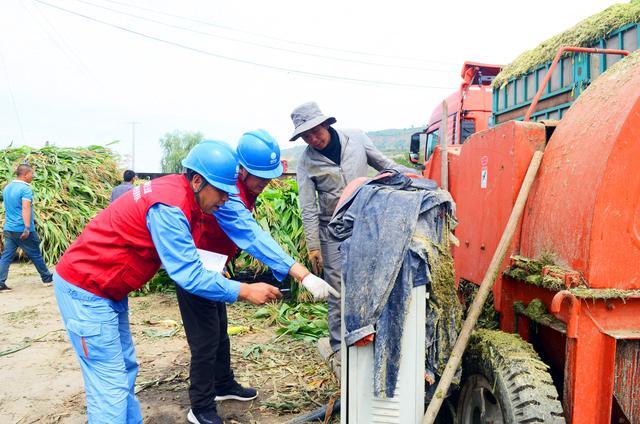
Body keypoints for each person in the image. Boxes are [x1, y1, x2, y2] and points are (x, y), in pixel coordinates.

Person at [53, 140, 282, 423]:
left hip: (109, 289)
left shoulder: (179, 191)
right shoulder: (169, 207)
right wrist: (245, 290)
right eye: (222, 192)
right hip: (86, 290)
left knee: (124, 368)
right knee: (109, 382)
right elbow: (189, 274)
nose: (225, 200)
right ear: (198, 181)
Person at [179, 130, 338, 424]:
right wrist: (302, 274)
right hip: (196, 270)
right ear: (241, 169)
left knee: (219, 332)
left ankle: (223, 384)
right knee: (204, 340)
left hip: (215, 267)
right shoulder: (227, 193)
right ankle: (200, 406)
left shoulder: (246, 190)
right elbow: (253, 237)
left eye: (269, 177)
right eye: (259, 177)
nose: (265, 184)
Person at [290, 101, 415, 355]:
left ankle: (371, 336)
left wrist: (416, 177)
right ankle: (338, 347)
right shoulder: (306, 162)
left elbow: (386, 165)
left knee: (373, 278)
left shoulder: (356, 139)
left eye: (316, 131)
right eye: (306, 136)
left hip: (367, 222)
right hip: (331, 229)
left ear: (326, 124)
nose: (313, 139)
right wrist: (314, 246)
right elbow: (308, 207)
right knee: (336, 287)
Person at [0, 164, 53, 291]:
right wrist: (27, 227)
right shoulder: (25, 189)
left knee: (6, 256)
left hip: (9, 227)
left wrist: (31, 219)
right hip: (21, 229)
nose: (33, 176)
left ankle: (0, 283)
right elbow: (25, 207)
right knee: (35, 253)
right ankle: (47, 278)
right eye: (31, 174)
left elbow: (13, 207)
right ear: (25, 175)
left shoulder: (7, 188)